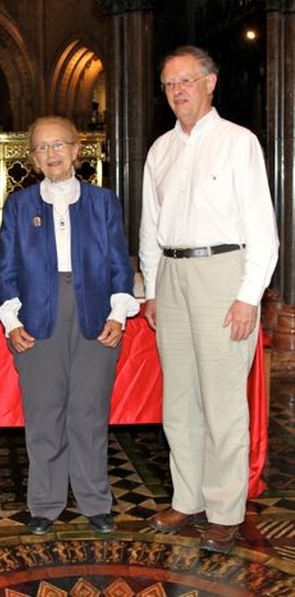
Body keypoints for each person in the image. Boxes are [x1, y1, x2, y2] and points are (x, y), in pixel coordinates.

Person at [139, 45, 279, 554]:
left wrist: (248, 297)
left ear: (210, 82)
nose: (177, 91)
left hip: (224, 274)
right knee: (179, 401)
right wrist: (152, 289)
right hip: (172, 277)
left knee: (222, 403)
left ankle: (224, 510)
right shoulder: (160, 150)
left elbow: (264, 231)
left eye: (186, 81)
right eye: (169, 84)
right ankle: (187, 496)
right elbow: (150, 229)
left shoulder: (238, 143)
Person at [0, 116, 139, 535]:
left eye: (59, 145)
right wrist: (11, 319)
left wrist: (118, 313)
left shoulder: (103, 201)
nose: (51, 154)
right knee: (44, 412)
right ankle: (45, 503)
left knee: (89, 412)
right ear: (33, 157)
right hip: (38, 312)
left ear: (77, 150)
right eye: (41, 147)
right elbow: (4, 272)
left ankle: (95, 501)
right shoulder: (20, 206)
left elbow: (117, 263)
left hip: (95, 312)